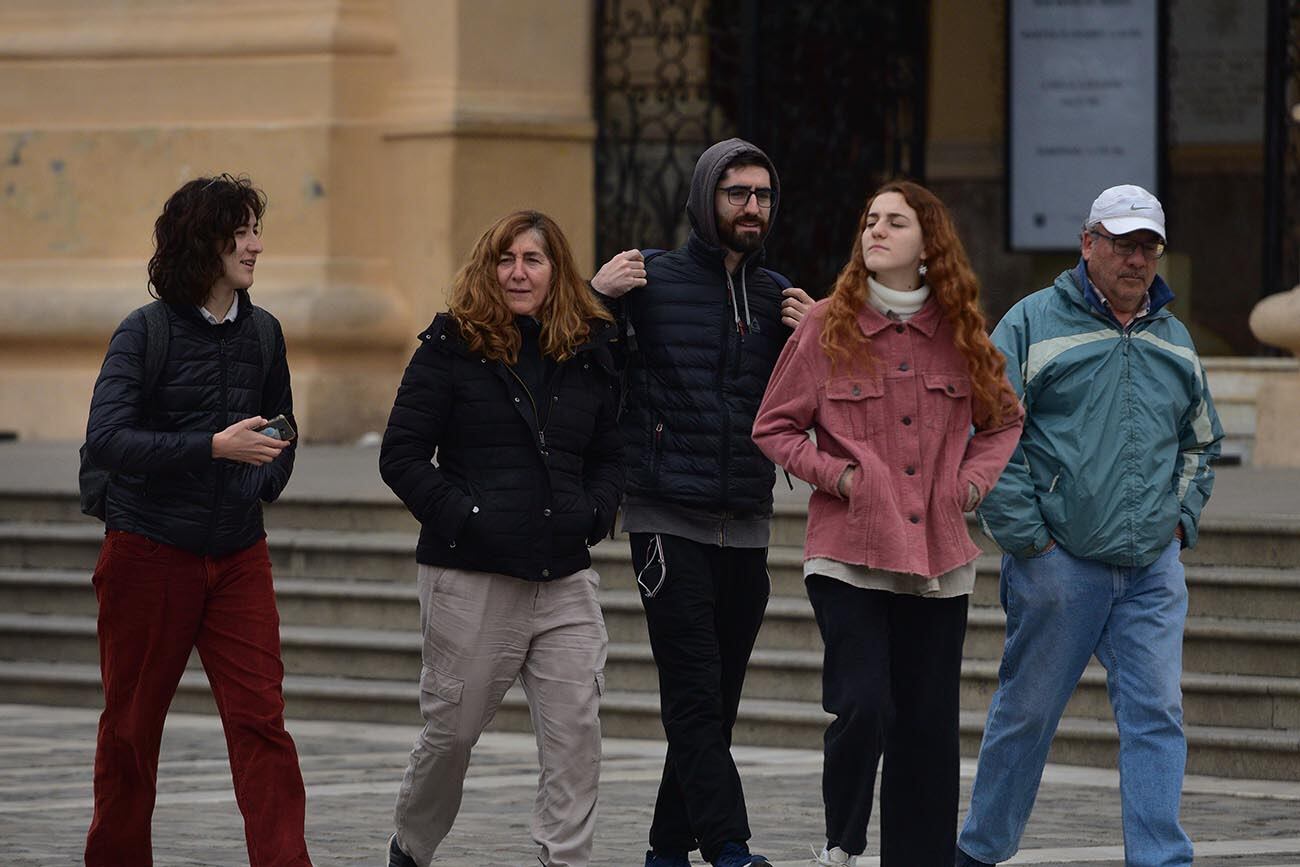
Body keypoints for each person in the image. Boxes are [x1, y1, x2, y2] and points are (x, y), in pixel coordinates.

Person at [751, 180, 1024, 867]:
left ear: (927, 244)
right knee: (865, 706)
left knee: (928, 728)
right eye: (870, 219)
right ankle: (842, 839)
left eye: (894, 221)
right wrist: (838, 476)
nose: (875, 230)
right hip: (848, 553)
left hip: (939, 560)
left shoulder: (961, 332)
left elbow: (1004, 421)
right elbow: (773, 425)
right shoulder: (826, 325)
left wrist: (970, 482)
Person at [955, 185, 1223, 867]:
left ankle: (1160, 858)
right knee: (1027, 715)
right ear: (1088, 243)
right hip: (1058, 564)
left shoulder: (1174, 338)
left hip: (1150, 571)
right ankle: (980, 851)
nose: (1137, 259)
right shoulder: (1031, 322)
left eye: (1148, 246)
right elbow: (989, 427)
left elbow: (1201, 441)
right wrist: (1028, 539)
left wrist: (1179, 525)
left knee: (1158, 714)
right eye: (1123, 243)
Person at [590, 137, 814, 867]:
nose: (753, 207)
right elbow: (587, 365)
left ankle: (665, 847)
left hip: (746, 522)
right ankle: (728, 844)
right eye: (737, 193)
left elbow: (811, 406)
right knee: (692, 690)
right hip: (664, 517)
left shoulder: (780, 296)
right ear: (704, 197)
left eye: (763, 195)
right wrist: (597, 299)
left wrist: (818, 340)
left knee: (717, 697)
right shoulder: (648, 278)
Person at [378, 210, 623, 867]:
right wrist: (470, 518)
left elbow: (611, 451)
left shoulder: (588, 349)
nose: (518, 271)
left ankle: (563, 858)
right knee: (452, 733)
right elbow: (400, 455)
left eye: (533, 259)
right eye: (505, 259)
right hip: (472, 575)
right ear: (488, 268)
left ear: (557, 270)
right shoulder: (451, 346)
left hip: (564, 577)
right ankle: (412, 845)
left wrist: (595, 512)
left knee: (576, 732)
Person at [83, 174, 309, 866]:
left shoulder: (264, 331)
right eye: (240, 232)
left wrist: (259, 477)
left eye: (254, 231)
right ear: (202, 242)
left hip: (238, 555)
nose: (256, 246)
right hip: (149, 551)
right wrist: (213, 447)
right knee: (130, 729)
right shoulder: (144, 332)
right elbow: (107, 441)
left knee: (261, 723)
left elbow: (283, 424)